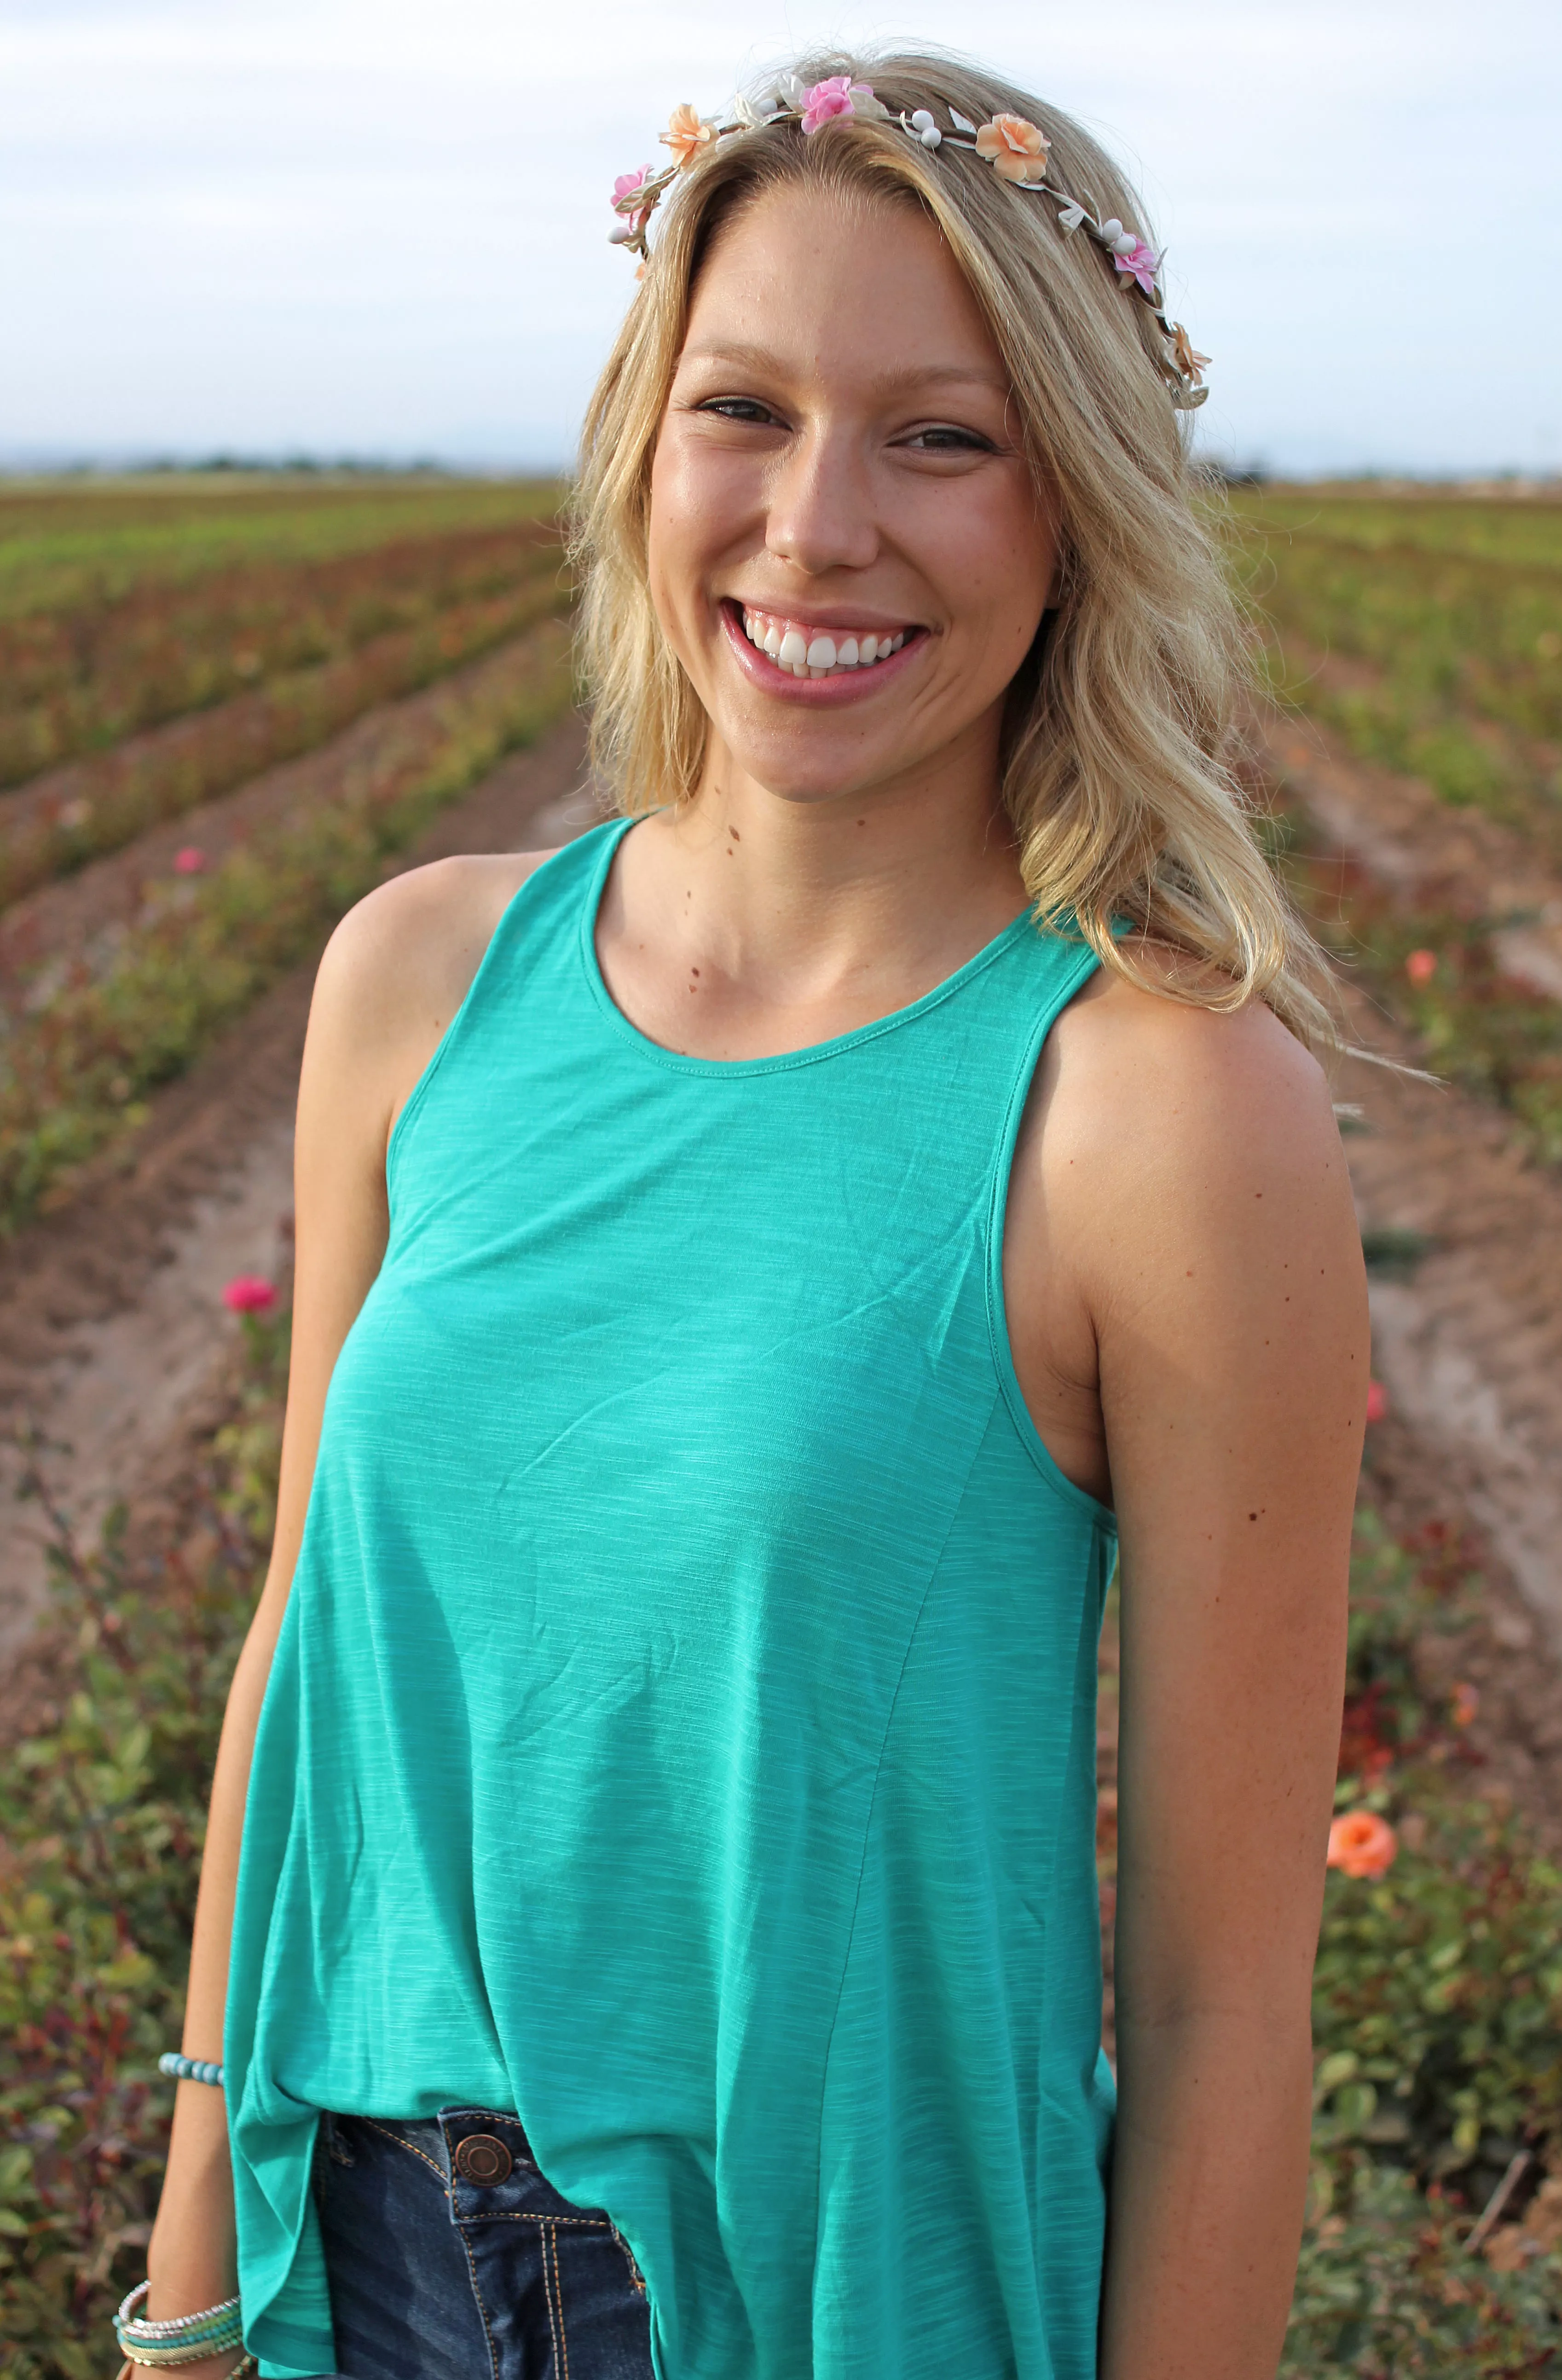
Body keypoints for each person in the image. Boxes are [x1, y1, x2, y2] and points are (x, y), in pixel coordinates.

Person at [127, 49, 1367, 2380]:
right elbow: (300, 1658)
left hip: (832, 2299)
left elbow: (1217, 2012)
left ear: (1074, 501)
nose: (814, 530)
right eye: (745, 411)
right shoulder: (420, 980)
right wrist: (199, 2273)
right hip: (359, 2260)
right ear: (642, 448)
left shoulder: (1160, 1116)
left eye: (941, 435)